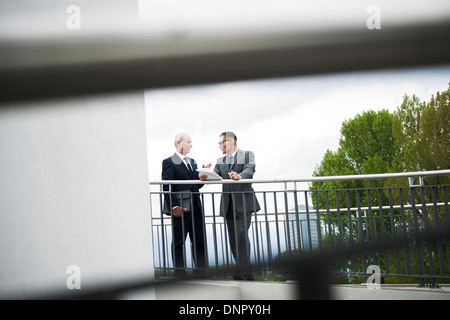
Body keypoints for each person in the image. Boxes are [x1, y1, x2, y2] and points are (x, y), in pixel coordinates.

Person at [202, 131, 261, 280]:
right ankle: (241, 271)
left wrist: (239, 176)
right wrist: (204, 173)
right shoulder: (220, 161)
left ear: (230, 142)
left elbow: (250, 170)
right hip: (228, 206)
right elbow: (214, 176)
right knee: (233, 239)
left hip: (244, 204)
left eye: (221, 143)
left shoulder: (247, 154)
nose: (219, 146)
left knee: (241, 235)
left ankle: (246, 272)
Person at [162, 132, 208, 278]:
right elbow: (167, 187)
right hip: (180, 208)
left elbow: (195, 187)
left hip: (196, 207)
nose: (191, 145)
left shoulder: (193, 162)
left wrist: (202, 177)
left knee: (199, 241)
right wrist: (174, 207)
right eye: (189, 142)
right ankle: (179, 273)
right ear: (179, 143)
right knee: (178, 242)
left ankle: (200, 272)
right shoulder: (169, 162)